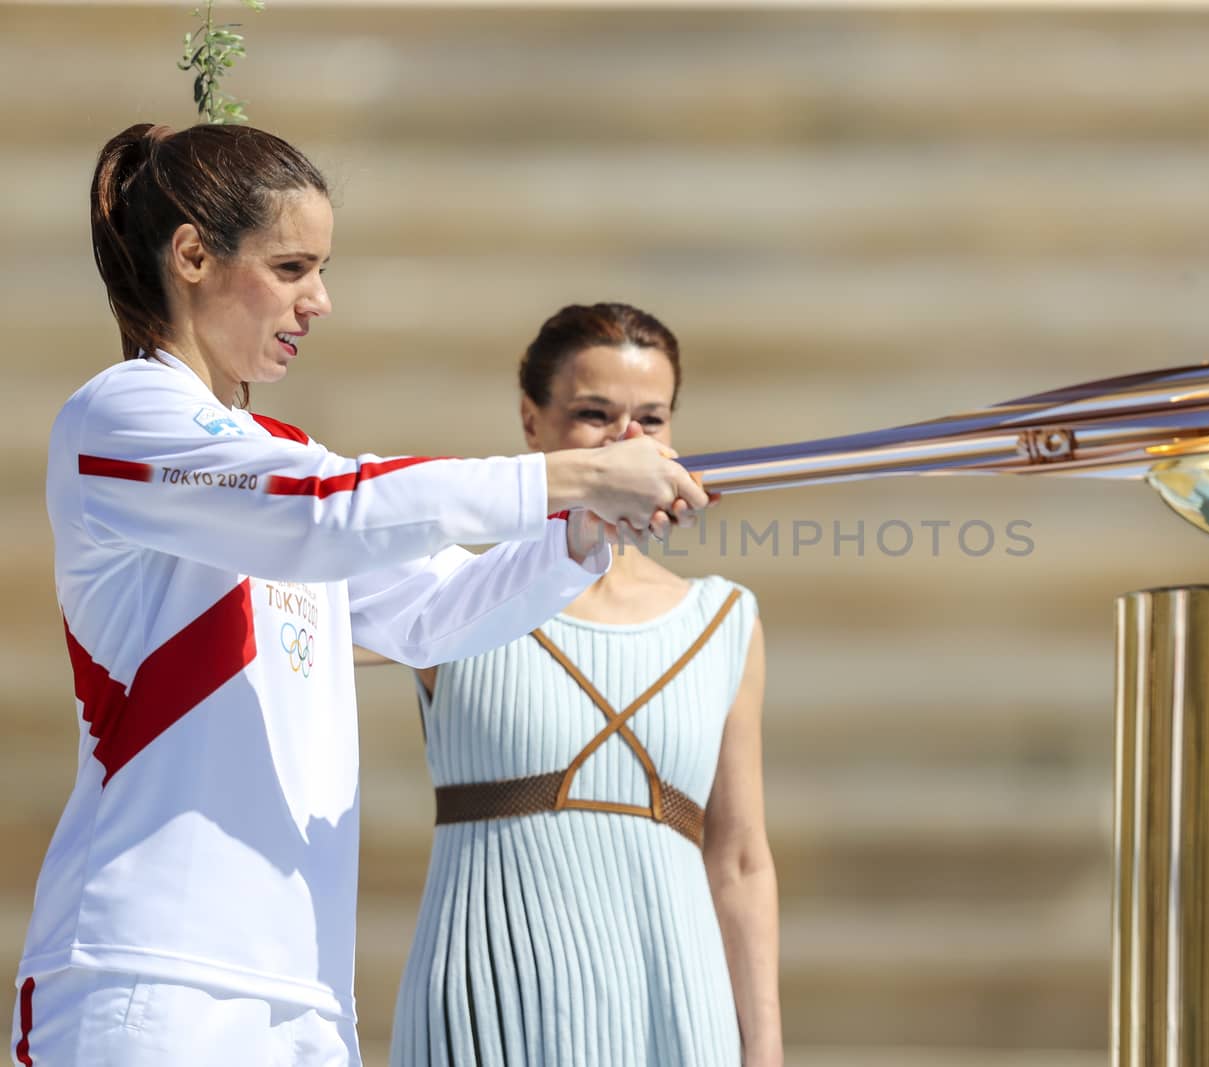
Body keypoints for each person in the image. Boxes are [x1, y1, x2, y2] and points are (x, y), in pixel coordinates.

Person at [11, 123, 708, 1067]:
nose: (320, 301)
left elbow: (438, 612)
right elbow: (328, 512)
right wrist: (575, 479)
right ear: (191, 256)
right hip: (150, 977)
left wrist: (579, 539)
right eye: (293, 267)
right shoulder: (121, 418)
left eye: (322, 269)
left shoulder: (282, 458)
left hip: (302, 990)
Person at [390, 303, 781, 1067]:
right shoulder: (453, 598)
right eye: (594, 415)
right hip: (491, 997)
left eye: (651, 419)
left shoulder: (724, 620)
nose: (627, 444)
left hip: (673, 994)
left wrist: (762, 1047)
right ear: (532, 424)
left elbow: (739, 860)